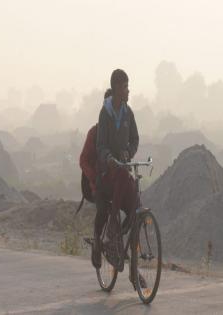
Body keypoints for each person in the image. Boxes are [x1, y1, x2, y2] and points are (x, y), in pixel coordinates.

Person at [94, 69, 139, 270]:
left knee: (136, 209)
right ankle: (106, 236)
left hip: (122, 172)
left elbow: (135, 139)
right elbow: (100, 145)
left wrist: (128, 152)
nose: (128, 91)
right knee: (120, 177)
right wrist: (109, 158)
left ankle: (117, 238)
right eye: (125, 87)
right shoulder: (105, 114)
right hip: (107, 175)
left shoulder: (128, 113)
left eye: (128, 86)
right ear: (115, 89)